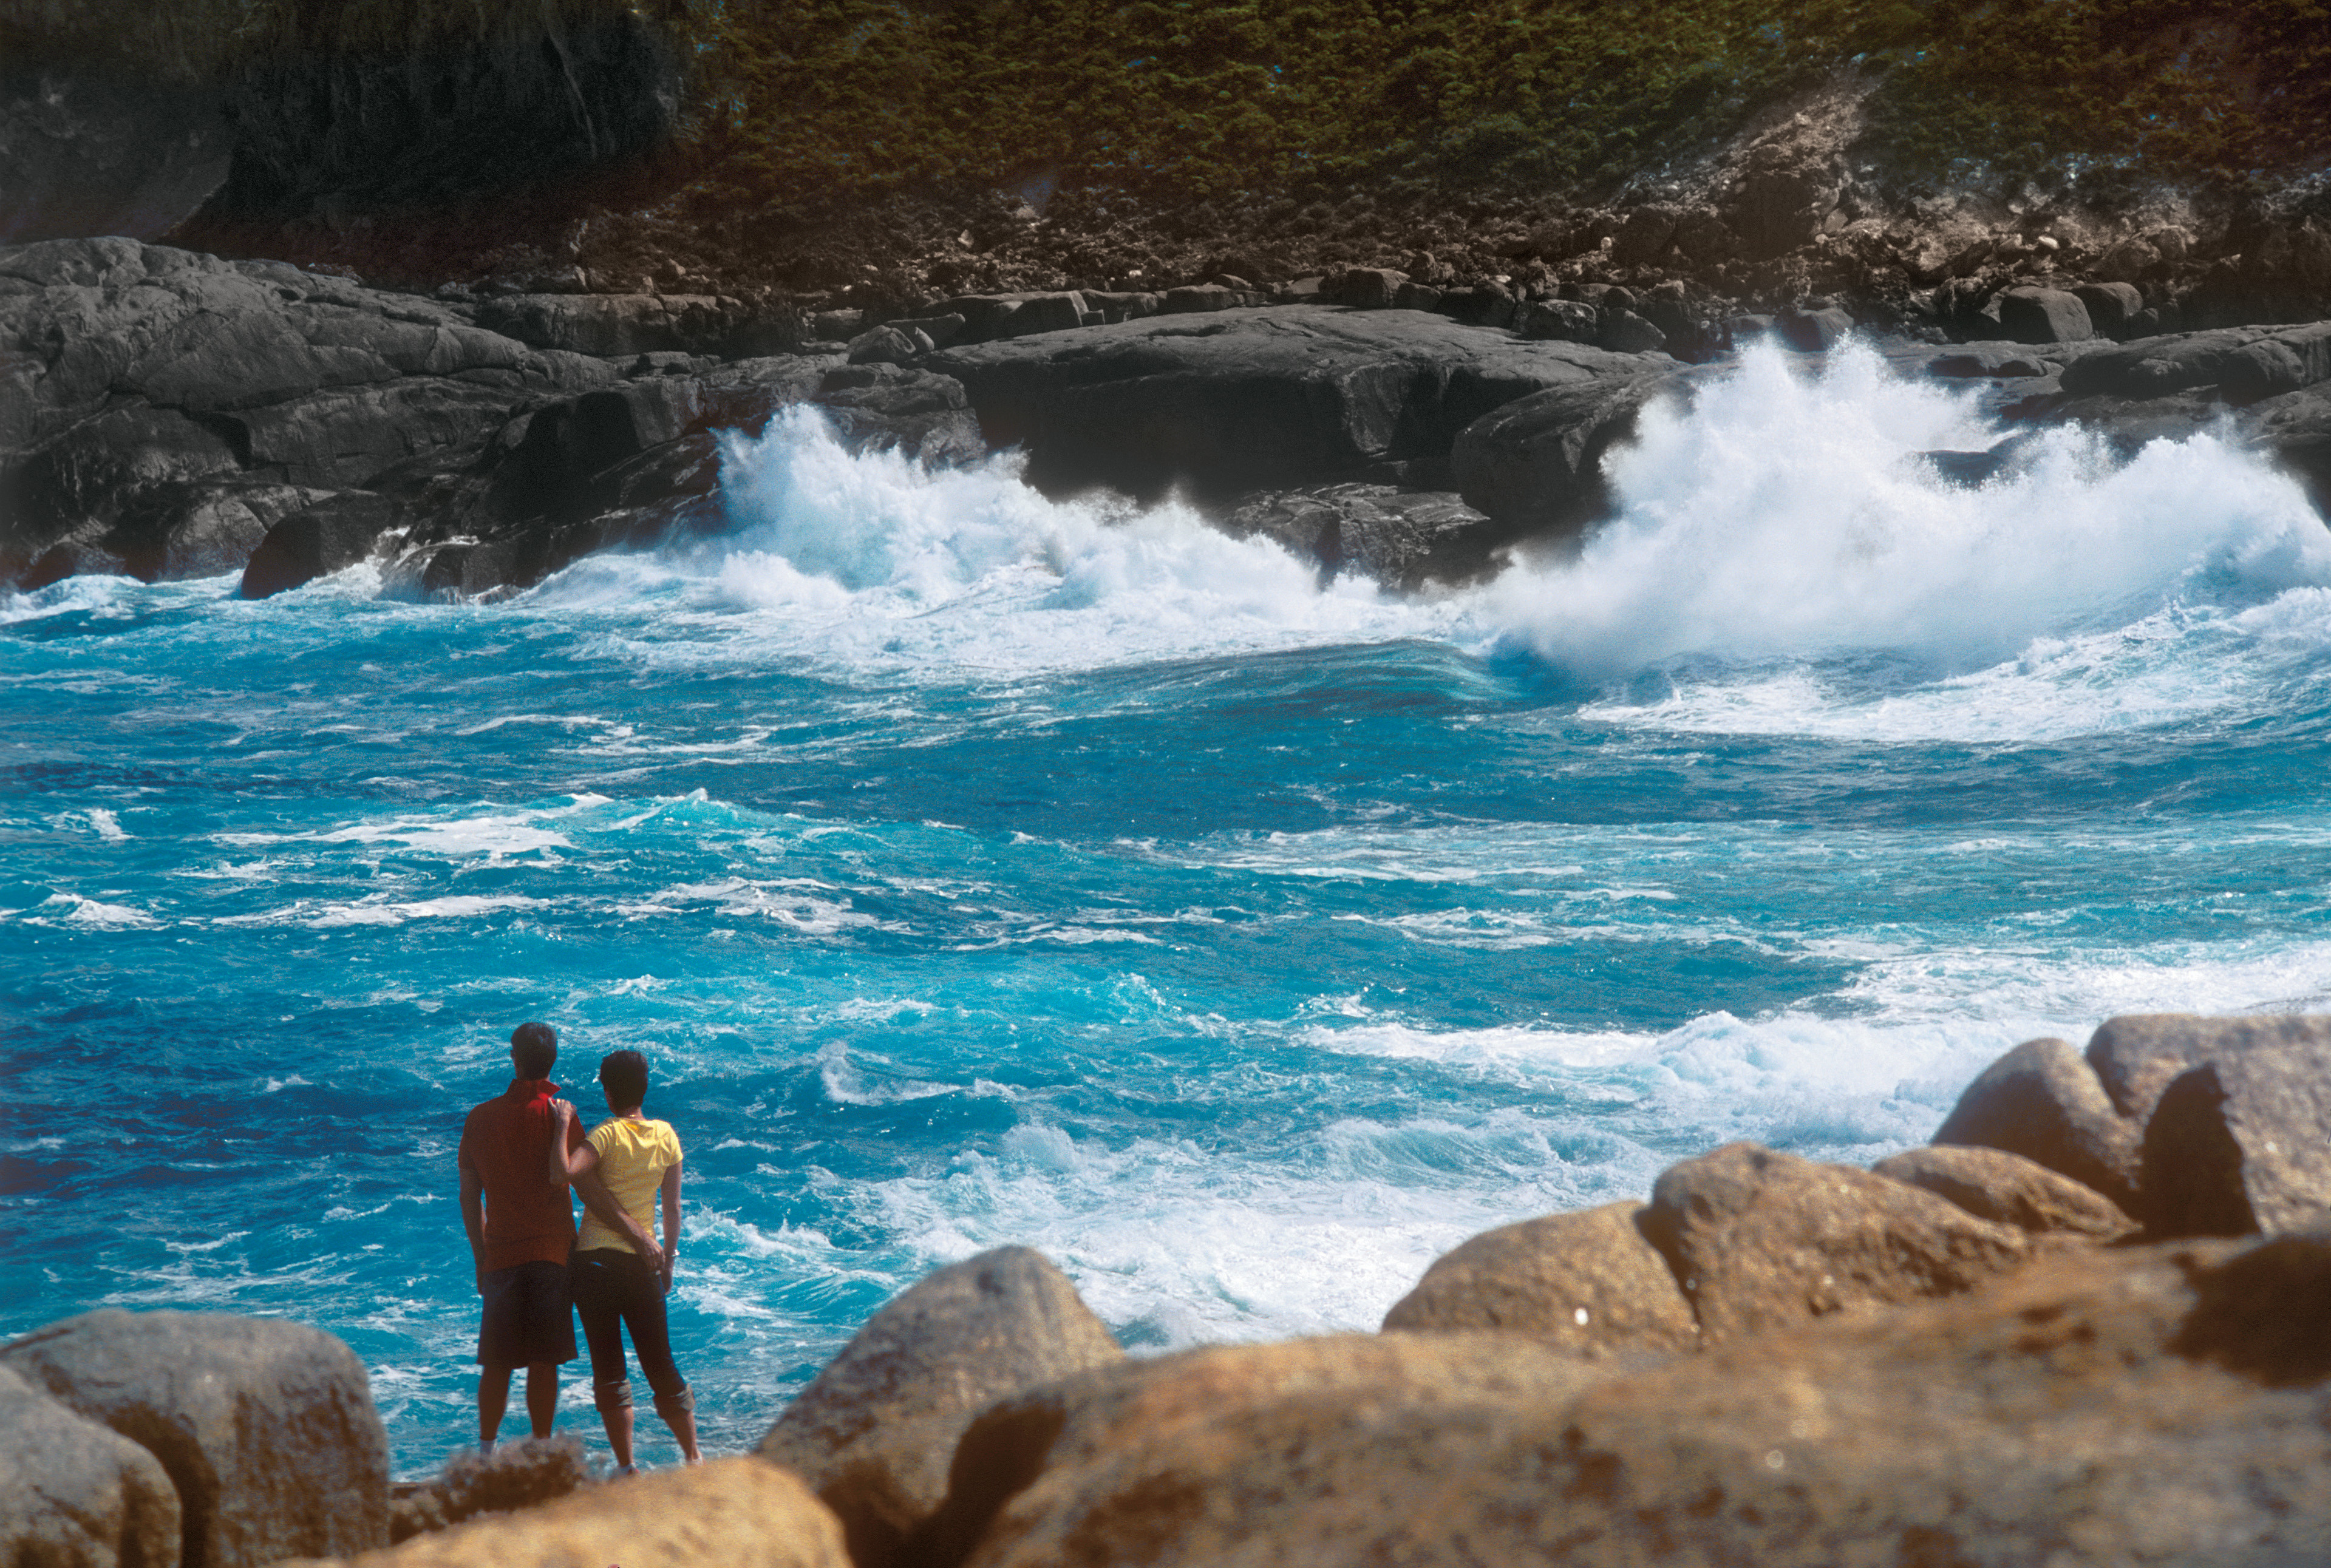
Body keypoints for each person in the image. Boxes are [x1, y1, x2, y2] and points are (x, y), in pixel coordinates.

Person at [548, 1049, 701, 1471]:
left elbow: (563, 1173)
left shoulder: (605, 1135)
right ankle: (693, 1457)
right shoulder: (666, 1136)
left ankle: (628, 1467)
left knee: (610, 1370)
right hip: (641, 1264)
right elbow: (673, 1209)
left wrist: (562, 1124)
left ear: (608, 1092)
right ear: (644, 1089)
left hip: (594, 1265)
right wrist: (667, 1261)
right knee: (661, 1364)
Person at [455, 1020, 584, 1450]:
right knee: (544, 1363)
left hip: (501, 1254)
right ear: (553, 1061)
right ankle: (542, 1449)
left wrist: (480, 1256)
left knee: (497, 1363)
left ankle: (485, 1452)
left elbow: (469, 1197)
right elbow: (584, 1182)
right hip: (553, 1252)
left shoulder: (480, 1118)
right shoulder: (561, 1116)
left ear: (514, 1058)